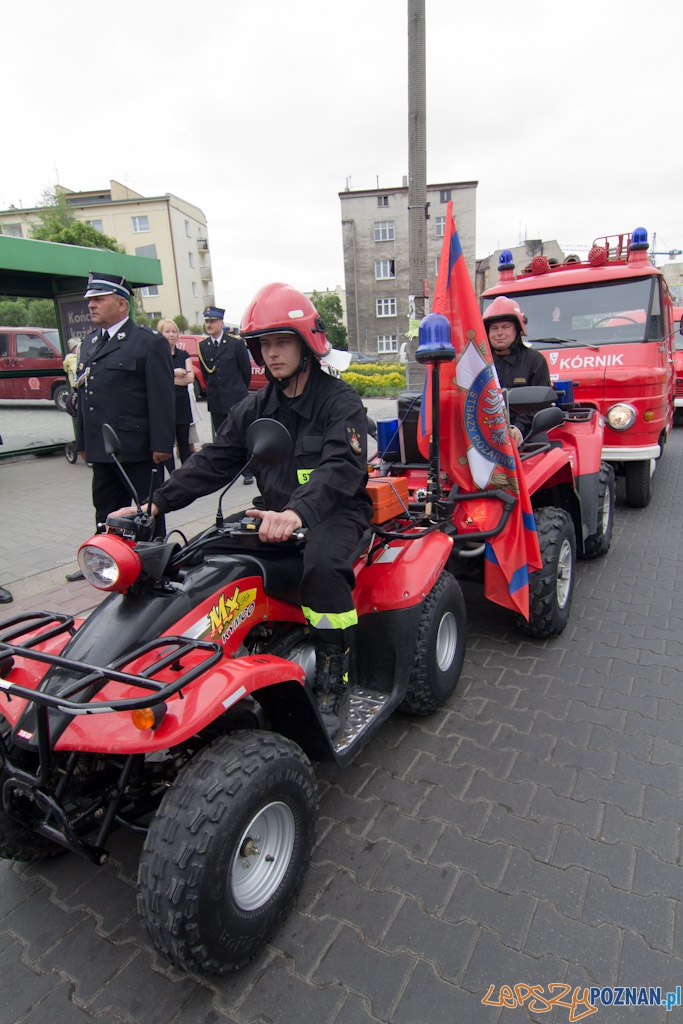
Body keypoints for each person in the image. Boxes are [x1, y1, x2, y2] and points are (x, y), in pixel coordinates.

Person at [113, 283, 372, 739]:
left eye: (282, 342)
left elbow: (341, 468)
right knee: (200, 556)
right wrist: (154, 503)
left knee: (323, 568)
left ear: (306, 343)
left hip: (334, 512)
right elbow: (214, 460)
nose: (272, 353)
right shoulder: (255, 406)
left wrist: (298, 512)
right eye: (264, 344)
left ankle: (335, 675)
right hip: (271, 514)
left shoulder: (340, 400)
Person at [67, 272, 175, 581]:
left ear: (121, 304)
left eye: (99, 300)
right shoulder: (89, 343)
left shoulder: (148, 342)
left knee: (147, 511)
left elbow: (161, 396)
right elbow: (84, 396)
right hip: (103, 448)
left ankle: (154, 565)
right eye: (90, 301)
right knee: (105, 509)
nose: (91, 306)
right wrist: (82, 441)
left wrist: (162, 445)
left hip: (139, 448)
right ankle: (102, 562)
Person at [483, 295, 551, 444]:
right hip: (484, 430)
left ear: (518, 329)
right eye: (494, 328)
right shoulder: (480, 363)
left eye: (505, 327)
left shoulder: (535, 361)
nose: (499, 333)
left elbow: (538, 406)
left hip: (526, 431)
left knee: (543, 451)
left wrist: (518, 428)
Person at [198, 305, 254, 484]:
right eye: (207, 321)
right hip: (216, 399)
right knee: (222, 438)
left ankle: (247, 471)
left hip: (236, 397)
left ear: (221, 323)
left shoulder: (235, 343)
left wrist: (238, 391)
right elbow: (206, 375)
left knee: (243, 435)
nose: (209, 325)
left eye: (213, 321)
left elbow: (245, 372)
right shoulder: (203, 346)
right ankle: (227, 471)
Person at [157, 318, 194, 468]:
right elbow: (156, 380)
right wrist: (174, 373)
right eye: (167, 331)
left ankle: (185, 473)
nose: (171, 334)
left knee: (184, 442)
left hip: (182, 404)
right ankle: (172, 475)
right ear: (160, 333)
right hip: (165, 405)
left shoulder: (184, 354)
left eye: (174, 331)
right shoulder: (157, 356)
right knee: (167, 444)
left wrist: (167, 379)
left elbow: (190, 378)